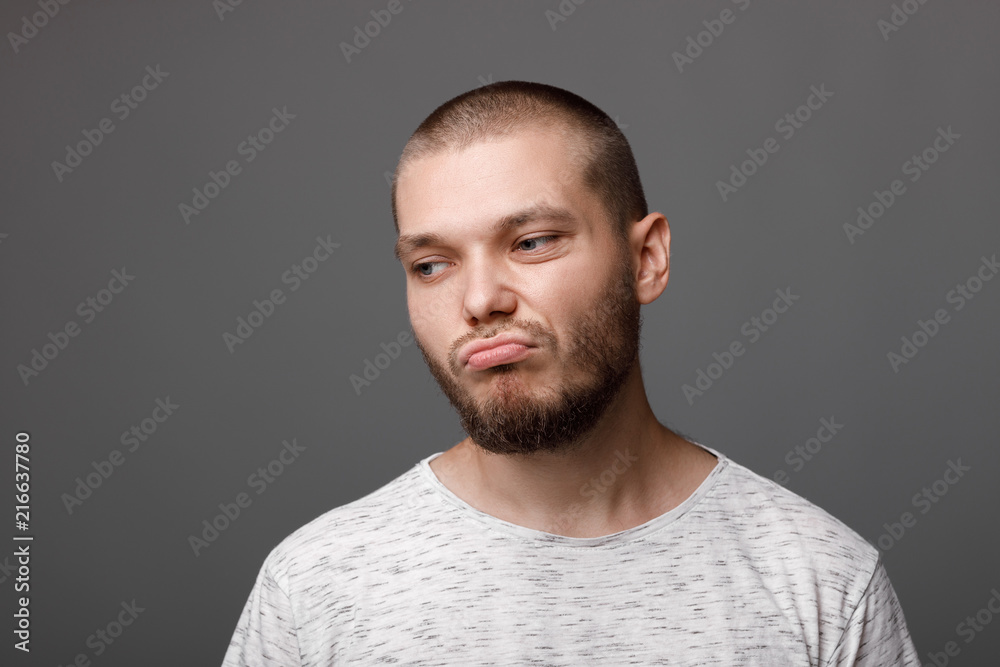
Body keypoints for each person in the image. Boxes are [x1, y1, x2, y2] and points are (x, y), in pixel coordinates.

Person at [222, 80, 920, 665]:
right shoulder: (313, 588)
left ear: (645, 259)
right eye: (432, 264)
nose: (478, 300)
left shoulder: (824, 583)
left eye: (532, 242)